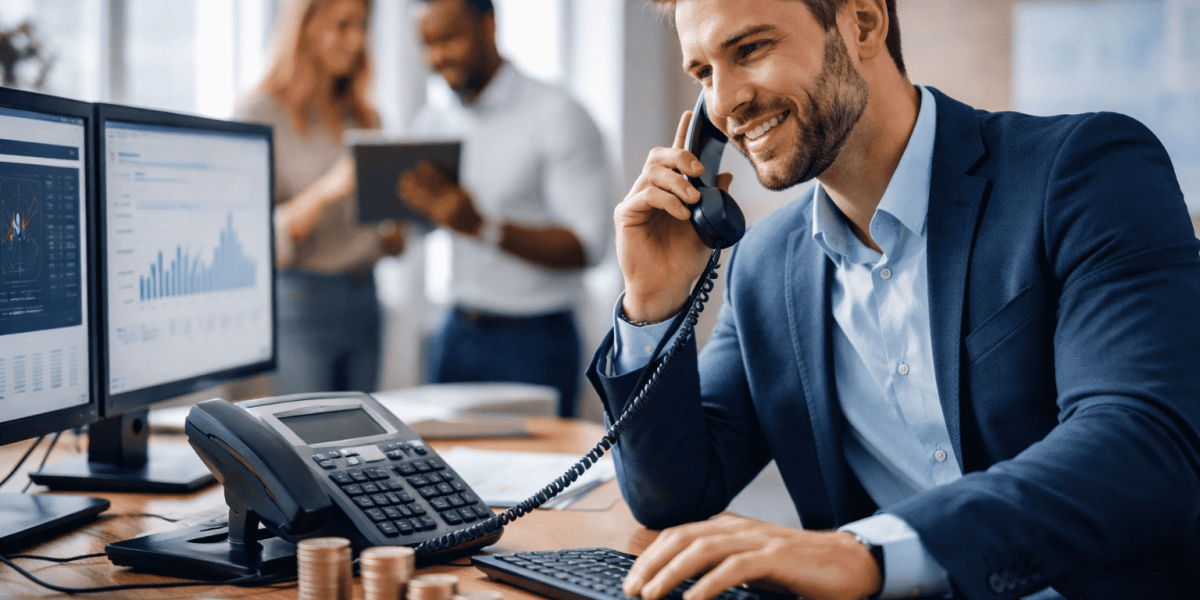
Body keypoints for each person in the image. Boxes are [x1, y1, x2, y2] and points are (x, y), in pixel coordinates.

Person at [586, 1, 1200, 599]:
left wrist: (870, 553)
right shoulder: (764, 264)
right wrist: (653, 299)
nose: (723, 103)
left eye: (750, 49)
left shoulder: (1084, 172)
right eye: (704, 74)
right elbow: (675, 495)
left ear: (863, 22)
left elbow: (1140, 439)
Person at [399, 0, 614, 417]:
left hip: (535, 341)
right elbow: (424, 225)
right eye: (426, 44)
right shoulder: (433, 122)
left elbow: (589, 247)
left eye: (449, 38)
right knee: (445, 476)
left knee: (540, 479)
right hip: (455, 333)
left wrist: (482, 227)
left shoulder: (558, 114)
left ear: (489, 25)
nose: (437, 57)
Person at [237, 0, 404, 395]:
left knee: (364, 441)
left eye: (362, 26)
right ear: (306, 28)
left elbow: (385, 239)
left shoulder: (366, 117)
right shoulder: (260, 113)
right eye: (342, 26)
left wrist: (401, 217)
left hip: (365, 296)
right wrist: (328, 190)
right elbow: (253, 240)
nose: (356, 40)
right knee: (306, 438)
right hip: (300, 302)